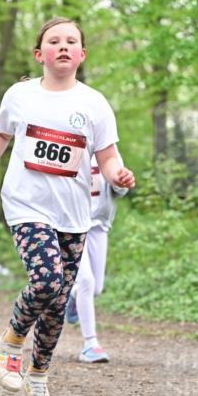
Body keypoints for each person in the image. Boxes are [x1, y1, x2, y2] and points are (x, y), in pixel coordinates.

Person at [0, 16, 135, 396]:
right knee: (46, 280)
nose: (62, 46)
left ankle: (39, 375)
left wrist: (118, 174)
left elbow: (107, 155)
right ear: (39, 53)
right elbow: (0, 132)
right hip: (26, 203)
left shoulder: (94, 103)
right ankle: (12, 339)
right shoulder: (21, 95)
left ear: (81, 54)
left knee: (59, 300)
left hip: (75, 212)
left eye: (71, 42)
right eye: (54, 41)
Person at [65, 153, 129, 362]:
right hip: (72, 225)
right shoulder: (69, 145)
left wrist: (122, 182)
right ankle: (90, 344)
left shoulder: (108, 149)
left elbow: (119, 189)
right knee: (86, 280)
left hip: (99, 225)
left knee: (96, 288)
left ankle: (73, 296)